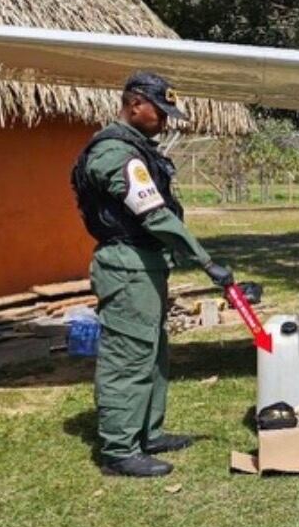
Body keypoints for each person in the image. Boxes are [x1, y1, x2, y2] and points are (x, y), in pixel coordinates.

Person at [72, 71, 235, 477]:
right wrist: (206, 261)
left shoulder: (137, 150)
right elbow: (155, 216)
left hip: (145, 264)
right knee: (128, 356)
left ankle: (148, 433)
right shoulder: (115, 154)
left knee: (152, 352)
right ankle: (119, 449)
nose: (164, 121)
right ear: (135, 105)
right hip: (126, 266)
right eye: (159, 112)